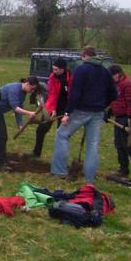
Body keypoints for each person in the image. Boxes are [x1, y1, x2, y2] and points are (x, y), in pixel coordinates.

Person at [50, 46, 117, 182]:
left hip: (81, 110)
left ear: (85, 55)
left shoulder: (81, 70)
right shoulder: (104, 71)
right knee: (92, 144)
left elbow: (75, 93)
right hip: (97, 112)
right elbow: (114, 94)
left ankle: (59, 171)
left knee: (62, 135)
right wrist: (103, 105)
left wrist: (67, 112)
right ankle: (89, 177)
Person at [108, 65, 131, 181]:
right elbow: (115, 100)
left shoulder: (128, 84)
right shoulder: (115, 85)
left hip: (128, 118)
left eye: (112, 76)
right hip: (119, 118)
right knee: (119, 145)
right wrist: (109, 112)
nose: (111, 78)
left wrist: (129, 118)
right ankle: (123, 170)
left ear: (118, 74)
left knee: (129, 146)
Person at [0, 76, 39, 168]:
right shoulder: (13, 89)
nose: (32, 91)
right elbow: (16, 108)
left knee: (2, 136)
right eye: (32, 89)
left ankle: (0, 159)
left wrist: (20, 125)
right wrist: (29, 113)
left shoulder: (23, 93)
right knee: (0, 136)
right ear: (27, 84)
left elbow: (19, 108)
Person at [32, 58, 72, 158]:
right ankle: (36, 153)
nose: (53, 71)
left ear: (62, 69)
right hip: (52, 105)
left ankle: (59, 157)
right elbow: (52, 94)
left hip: (65, 107)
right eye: (53, 69)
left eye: (56, 69)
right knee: (41, 129)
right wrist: (53, 109)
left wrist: (68, 112)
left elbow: (72, 95)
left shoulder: (71, 78)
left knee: (61, 133)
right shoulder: (52, 77)